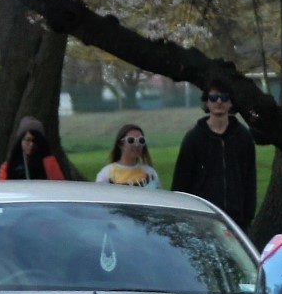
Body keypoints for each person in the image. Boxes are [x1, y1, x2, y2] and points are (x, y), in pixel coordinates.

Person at [172, 86, 257, 228]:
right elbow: (181, 181)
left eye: (224, 98)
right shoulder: (194, 138)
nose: (219, 102)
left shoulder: (243, 137)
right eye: (213, 98)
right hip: (201, 219)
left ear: (231, 103)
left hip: (235, 220)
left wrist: (248, 215)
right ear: (207, 102)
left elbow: (249, 179)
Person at [0, 117, 66, 181]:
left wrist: (47, 159)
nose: (31, 144)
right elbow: (2, 188)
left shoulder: (47, 162)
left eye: (35, 141)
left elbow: (58, 184)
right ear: (20, 141)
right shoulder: (9, 166)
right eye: (28, 140)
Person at [93, 124, 161, 187]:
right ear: (120, 144)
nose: (137, 145)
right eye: (131, 140)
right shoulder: (106, 174)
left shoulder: (150, 173)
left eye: (141, 140)